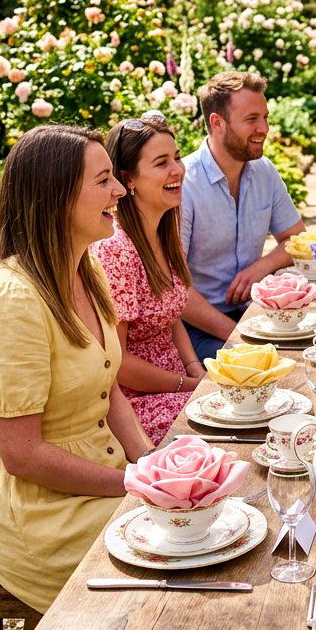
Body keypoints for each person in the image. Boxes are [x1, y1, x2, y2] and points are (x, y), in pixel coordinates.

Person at [0, 125, 151, 613]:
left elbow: (109, 387)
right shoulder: (12, 300)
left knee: (205, 519)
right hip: (44, 516)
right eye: (103, 180)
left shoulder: (86, 272)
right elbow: (22, 455)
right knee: (185, 544)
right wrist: (135, 487)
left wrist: (150, 464)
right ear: (56, 198)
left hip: (102, 479)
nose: (120, 190)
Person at [93, 112, 204, 446]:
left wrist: (194, 367)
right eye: (161, 163)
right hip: (136, 403)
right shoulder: (117, 250)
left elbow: (170, 318)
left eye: (177, 157)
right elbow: (118, 363)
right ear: (129, 180)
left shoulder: (164, 234)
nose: (177, 170)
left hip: (178, 383)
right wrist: (188, 385)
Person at [181, 70, 306, 362]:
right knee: (271, 367)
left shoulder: (264, 172)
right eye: (252, 120)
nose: (264, 128)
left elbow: (297, 238)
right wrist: (244, 336)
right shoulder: (184, 185)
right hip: (199, 326)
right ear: (217, 123)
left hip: (255, 312)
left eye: (265, 117)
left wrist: (261, 267)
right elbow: (176, 291)